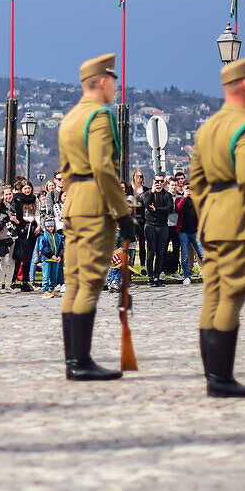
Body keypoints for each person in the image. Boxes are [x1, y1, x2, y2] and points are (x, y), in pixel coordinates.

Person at [189, 57, 245, 398]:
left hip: (213, 222)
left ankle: (214, 376)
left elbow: (196, 183)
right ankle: (222, 380)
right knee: (230, 297)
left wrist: (211, 211)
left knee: (211, 297)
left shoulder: (207, 128)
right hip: (241, 223)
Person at [57, 52, 135, 383]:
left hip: (75, 203)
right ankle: (81, 361)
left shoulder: (69, 118)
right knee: (89, 282)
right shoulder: (99, 117)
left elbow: (66, 169)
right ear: (103, 81)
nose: (116, 87)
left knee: (74, 281)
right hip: (95, 204)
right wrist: (121, 212)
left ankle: (73, 359)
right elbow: (104, 168)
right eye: (114, 81)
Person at [140, 173, 174, 286]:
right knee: (151, 252)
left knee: (160, 252)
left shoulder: (167, 195)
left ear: (163, 182)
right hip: (150, 225)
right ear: (153, 182)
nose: (159, 183)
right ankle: (150, 277)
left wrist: (156, 209)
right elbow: (146, 204)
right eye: (157, 181)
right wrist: (152, 192)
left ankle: (156, 277)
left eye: (161, 181)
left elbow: (169, 208)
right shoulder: (148, 194)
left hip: (163, 226)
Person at [176, 182, 201, 285]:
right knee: (185, 255)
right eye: (187, 189)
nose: (189, 191)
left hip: (195, 231)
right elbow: (178, 208)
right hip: (183, 232)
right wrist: (184, 197)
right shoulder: (180, 199)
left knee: (202, 253)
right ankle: (186, 276)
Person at [0, 184, 17, 292]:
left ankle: (8, 285)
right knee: (4, 260)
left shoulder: (16, 204)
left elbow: (20, 220)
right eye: (6, 194)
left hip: (15, 234)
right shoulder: (0, 205)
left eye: (10, 194)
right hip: (3, 235)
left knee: (12, 261)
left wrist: (16, 220)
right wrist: (8, 218)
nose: (8, 196)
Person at [37, 217, 65, 297]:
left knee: (54, 276)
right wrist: (51, 255)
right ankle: (45, 290)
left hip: (55, 260)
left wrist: (59, 256)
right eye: (48, 226)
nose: (50, 228)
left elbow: (60, 247)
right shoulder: (43, 236)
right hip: (47, 259)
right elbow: (44, 248)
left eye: (51, 226)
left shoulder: (58, 236)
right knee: (46, 276)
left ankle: (51, 289)